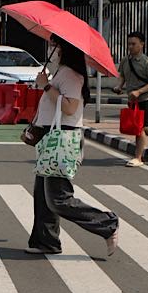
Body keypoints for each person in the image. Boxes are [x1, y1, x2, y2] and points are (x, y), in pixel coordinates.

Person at [28, 37, 120, 256]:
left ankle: (107, 224)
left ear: (64, 49)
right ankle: (46, 241)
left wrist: (46, 86)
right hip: (52, 138)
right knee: (42, 194)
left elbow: (70, 107)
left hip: (63, 140)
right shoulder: (62, 72)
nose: (52, 49)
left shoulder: (70, 74)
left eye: (54, 45)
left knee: (59, 199)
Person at [113, 31, 148, 167]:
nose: (130, 47)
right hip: (132, 99)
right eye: (129, 44)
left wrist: (139, 91)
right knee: (141, 126)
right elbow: (123, 75)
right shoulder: (126, 60)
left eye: (133, 44)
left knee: (139, 128)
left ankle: (138, 158)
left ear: (142, 45)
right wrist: (119, 86)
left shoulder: (147, 62)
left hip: (146, 98)